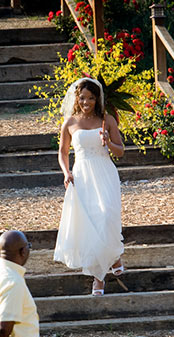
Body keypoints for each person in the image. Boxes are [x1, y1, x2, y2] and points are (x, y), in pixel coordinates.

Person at [54, 77, 125, 296]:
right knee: (92, 224)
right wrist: (67, 173)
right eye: (83, 98)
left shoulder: (107, 119)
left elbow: (120, 151)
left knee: (106, 216)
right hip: (82, 175)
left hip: (104, 172)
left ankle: (113, 256)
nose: (86, 102)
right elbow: (63, 153)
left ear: (97, 99)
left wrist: (108, 142)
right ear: (77, 98)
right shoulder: (70, 123)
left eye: (91, 98)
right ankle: (99, 278)